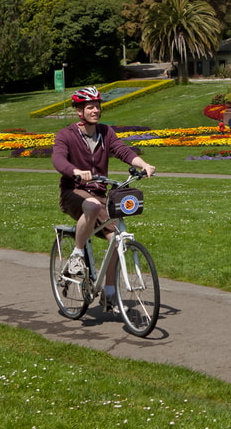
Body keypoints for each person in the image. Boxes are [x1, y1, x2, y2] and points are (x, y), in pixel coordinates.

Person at [52, 87, 156, 303]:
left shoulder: (106, 132)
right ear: (79, 111)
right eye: (90, 107)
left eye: (97, 106)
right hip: (73, 192)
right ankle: (77, 255)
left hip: (100, 195)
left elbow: (123, 151)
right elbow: (59, 159)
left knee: (117, 240)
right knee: (90, 205)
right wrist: (76, 171)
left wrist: (143, 164)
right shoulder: (66, 135)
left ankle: (109, 293)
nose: (95, 110)